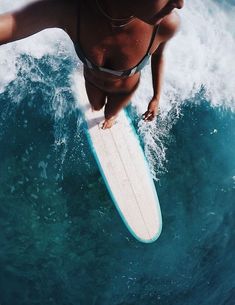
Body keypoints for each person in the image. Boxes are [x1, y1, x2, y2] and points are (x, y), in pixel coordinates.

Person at [0, 0, 184, 129]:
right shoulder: (74, 10)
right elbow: (13, 24)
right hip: (92, 80)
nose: (179, 4)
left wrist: (156, 97)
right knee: (95, 105)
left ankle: (112, 117)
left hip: (123, 90)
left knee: (110, 112)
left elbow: (158, 56)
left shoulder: (166, 25)